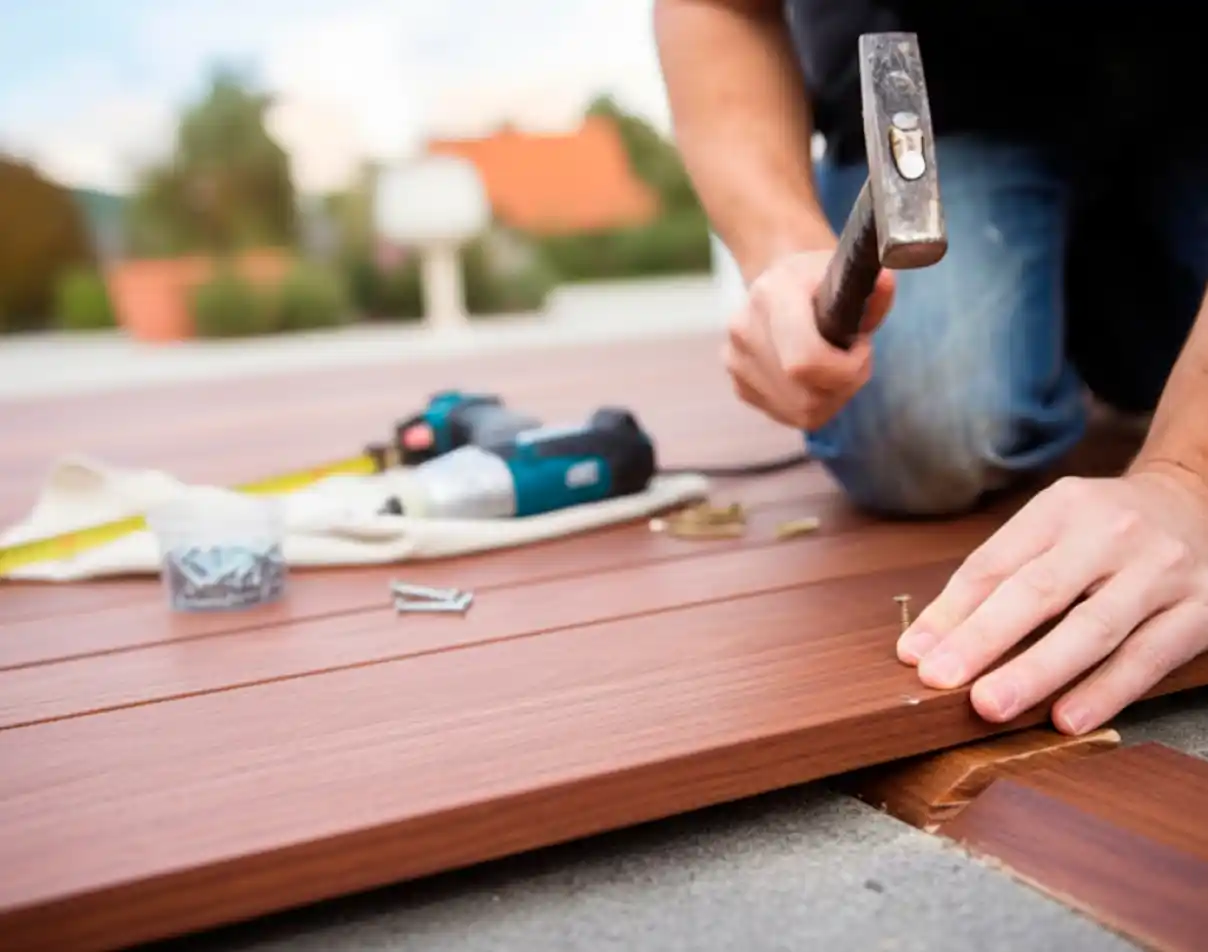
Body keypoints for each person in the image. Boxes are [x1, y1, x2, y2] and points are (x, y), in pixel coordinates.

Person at [653, 0, 1208, 735]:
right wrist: (782, 246)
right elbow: (716, 10)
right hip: (961, 104)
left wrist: (1190, 478)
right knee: (919, 423)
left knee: (1153, 359)